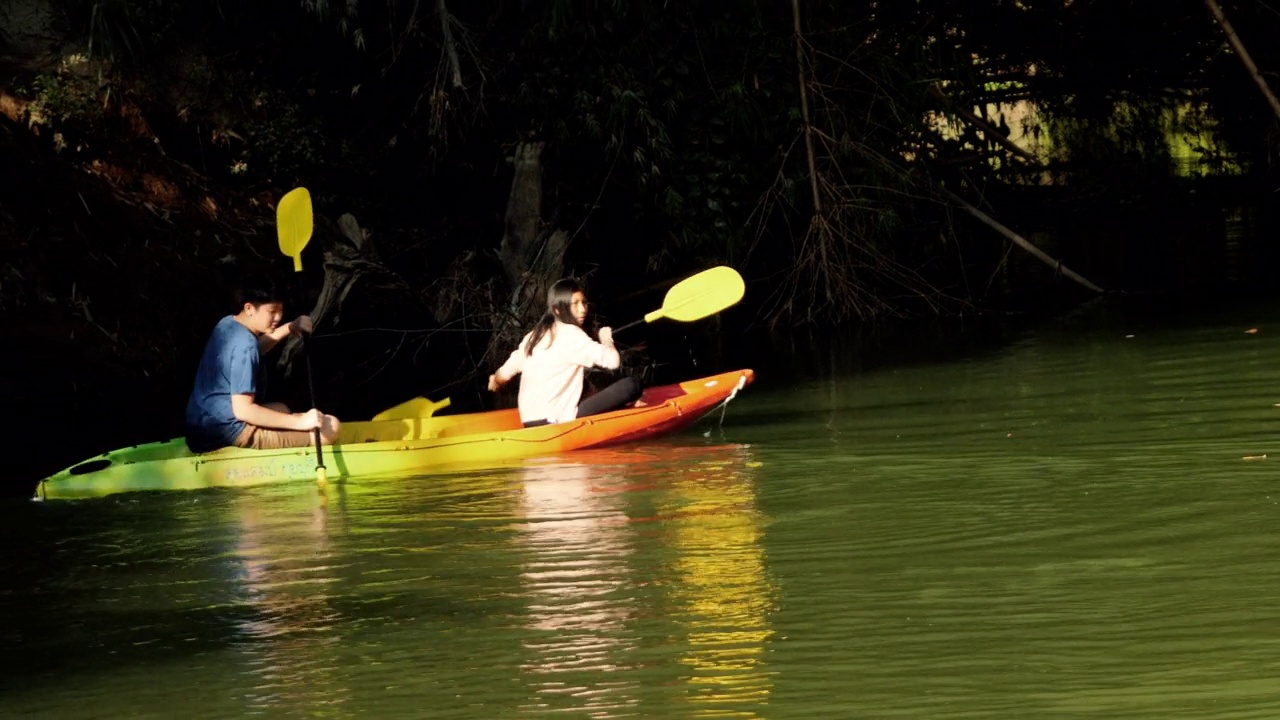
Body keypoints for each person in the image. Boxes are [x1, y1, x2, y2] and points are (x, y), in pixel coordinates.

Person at [184, 278, 341, 453]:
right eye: (272, 311)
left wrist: (290, 327)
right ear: (249, 308)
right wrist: (300, 422)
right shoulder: (245, 347)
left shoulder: (228, 324)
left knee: (283, 408)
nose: (278, 317)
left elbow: (254, 349)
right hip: (226, 432)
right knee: (330, 428)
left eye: (281, 310)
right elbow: (244, 411)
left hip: (201, 424)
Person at [489, 278, 643, 427]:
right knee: (631, 385)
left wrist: (495, 381)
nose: (582, 309)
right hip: (556, 420)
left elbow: (504, 374)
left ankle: (617, 408)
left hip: (529, 422)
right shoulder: (571, 333)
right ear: (557, 309)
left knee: (582, 382)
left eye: (583, 303)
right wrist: (606, 339)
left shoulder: (534, 336)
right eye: (574, 304)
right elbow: (613, 361)